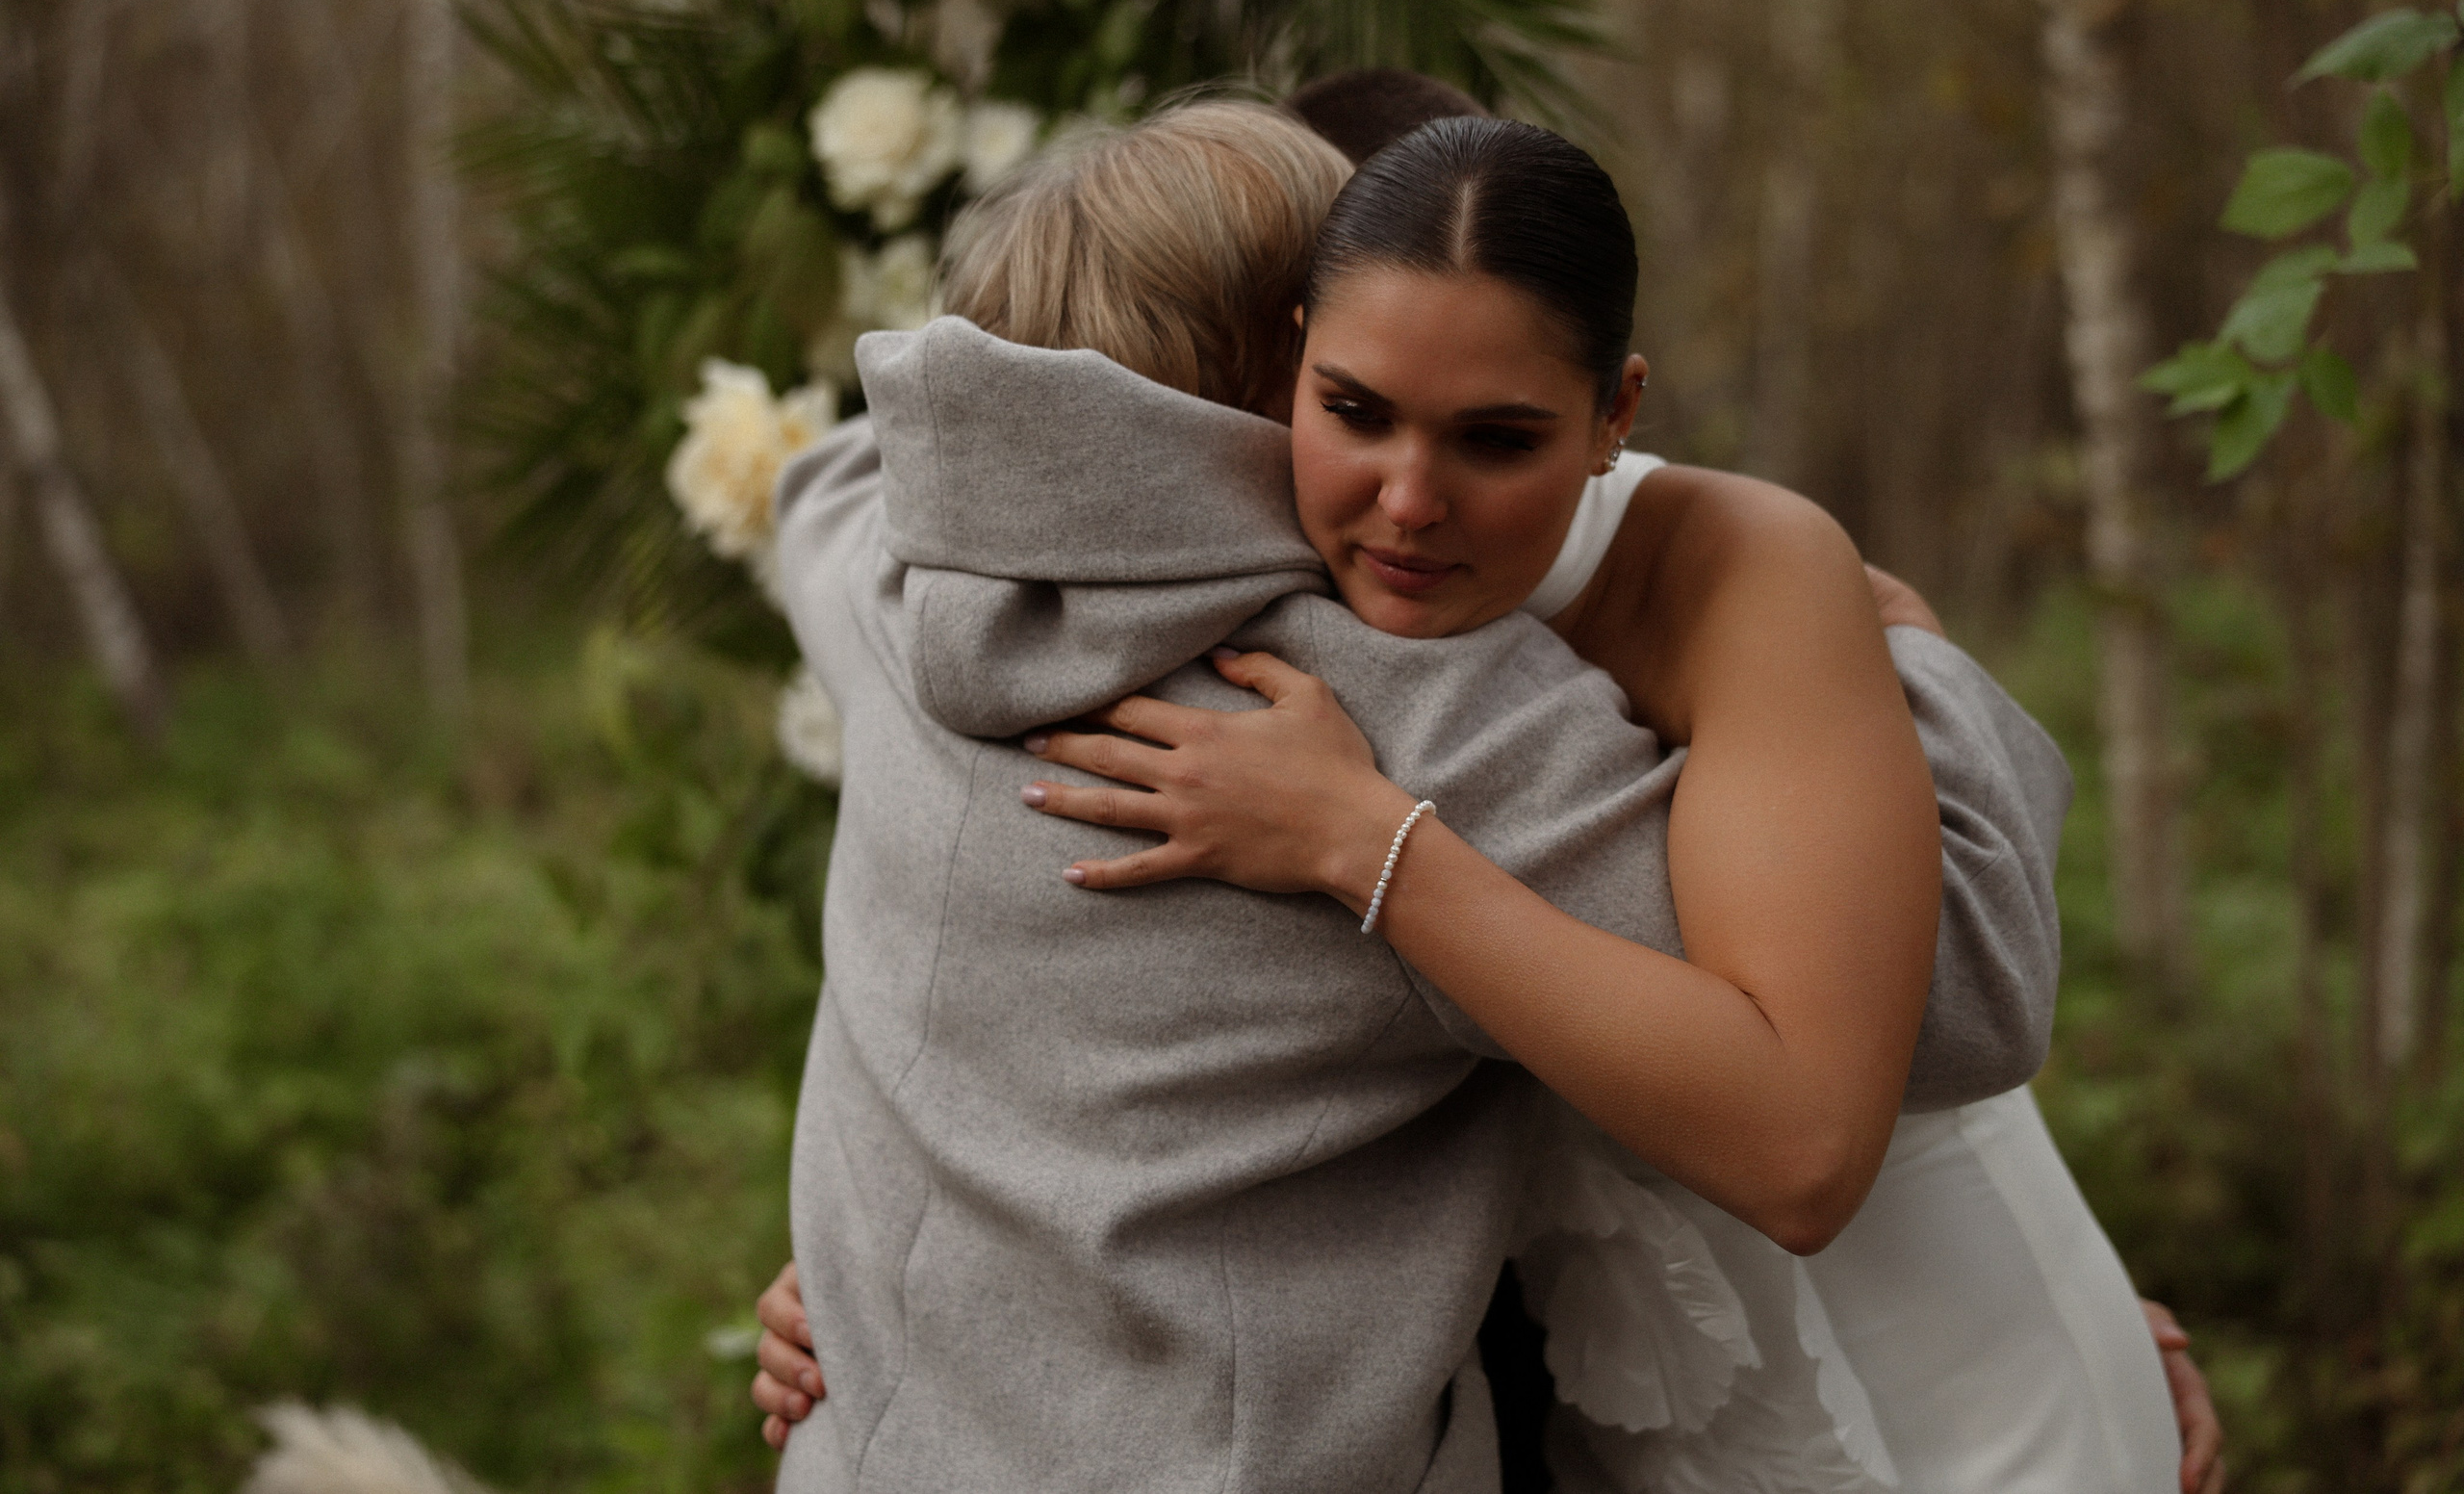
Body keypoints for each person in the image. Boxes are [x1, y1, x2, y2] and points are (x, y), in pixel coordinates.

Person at [762, 99, 2092, 1493]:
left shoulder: (886, 582)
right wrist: (1897, 647)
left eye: (1496, 433)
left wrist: (872, 1264)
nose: (1406, 504)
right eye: (1349, 405)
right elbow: (1951, 1002)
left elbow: (826, 475)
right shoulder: (1405, 724)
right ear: (1278, 364)